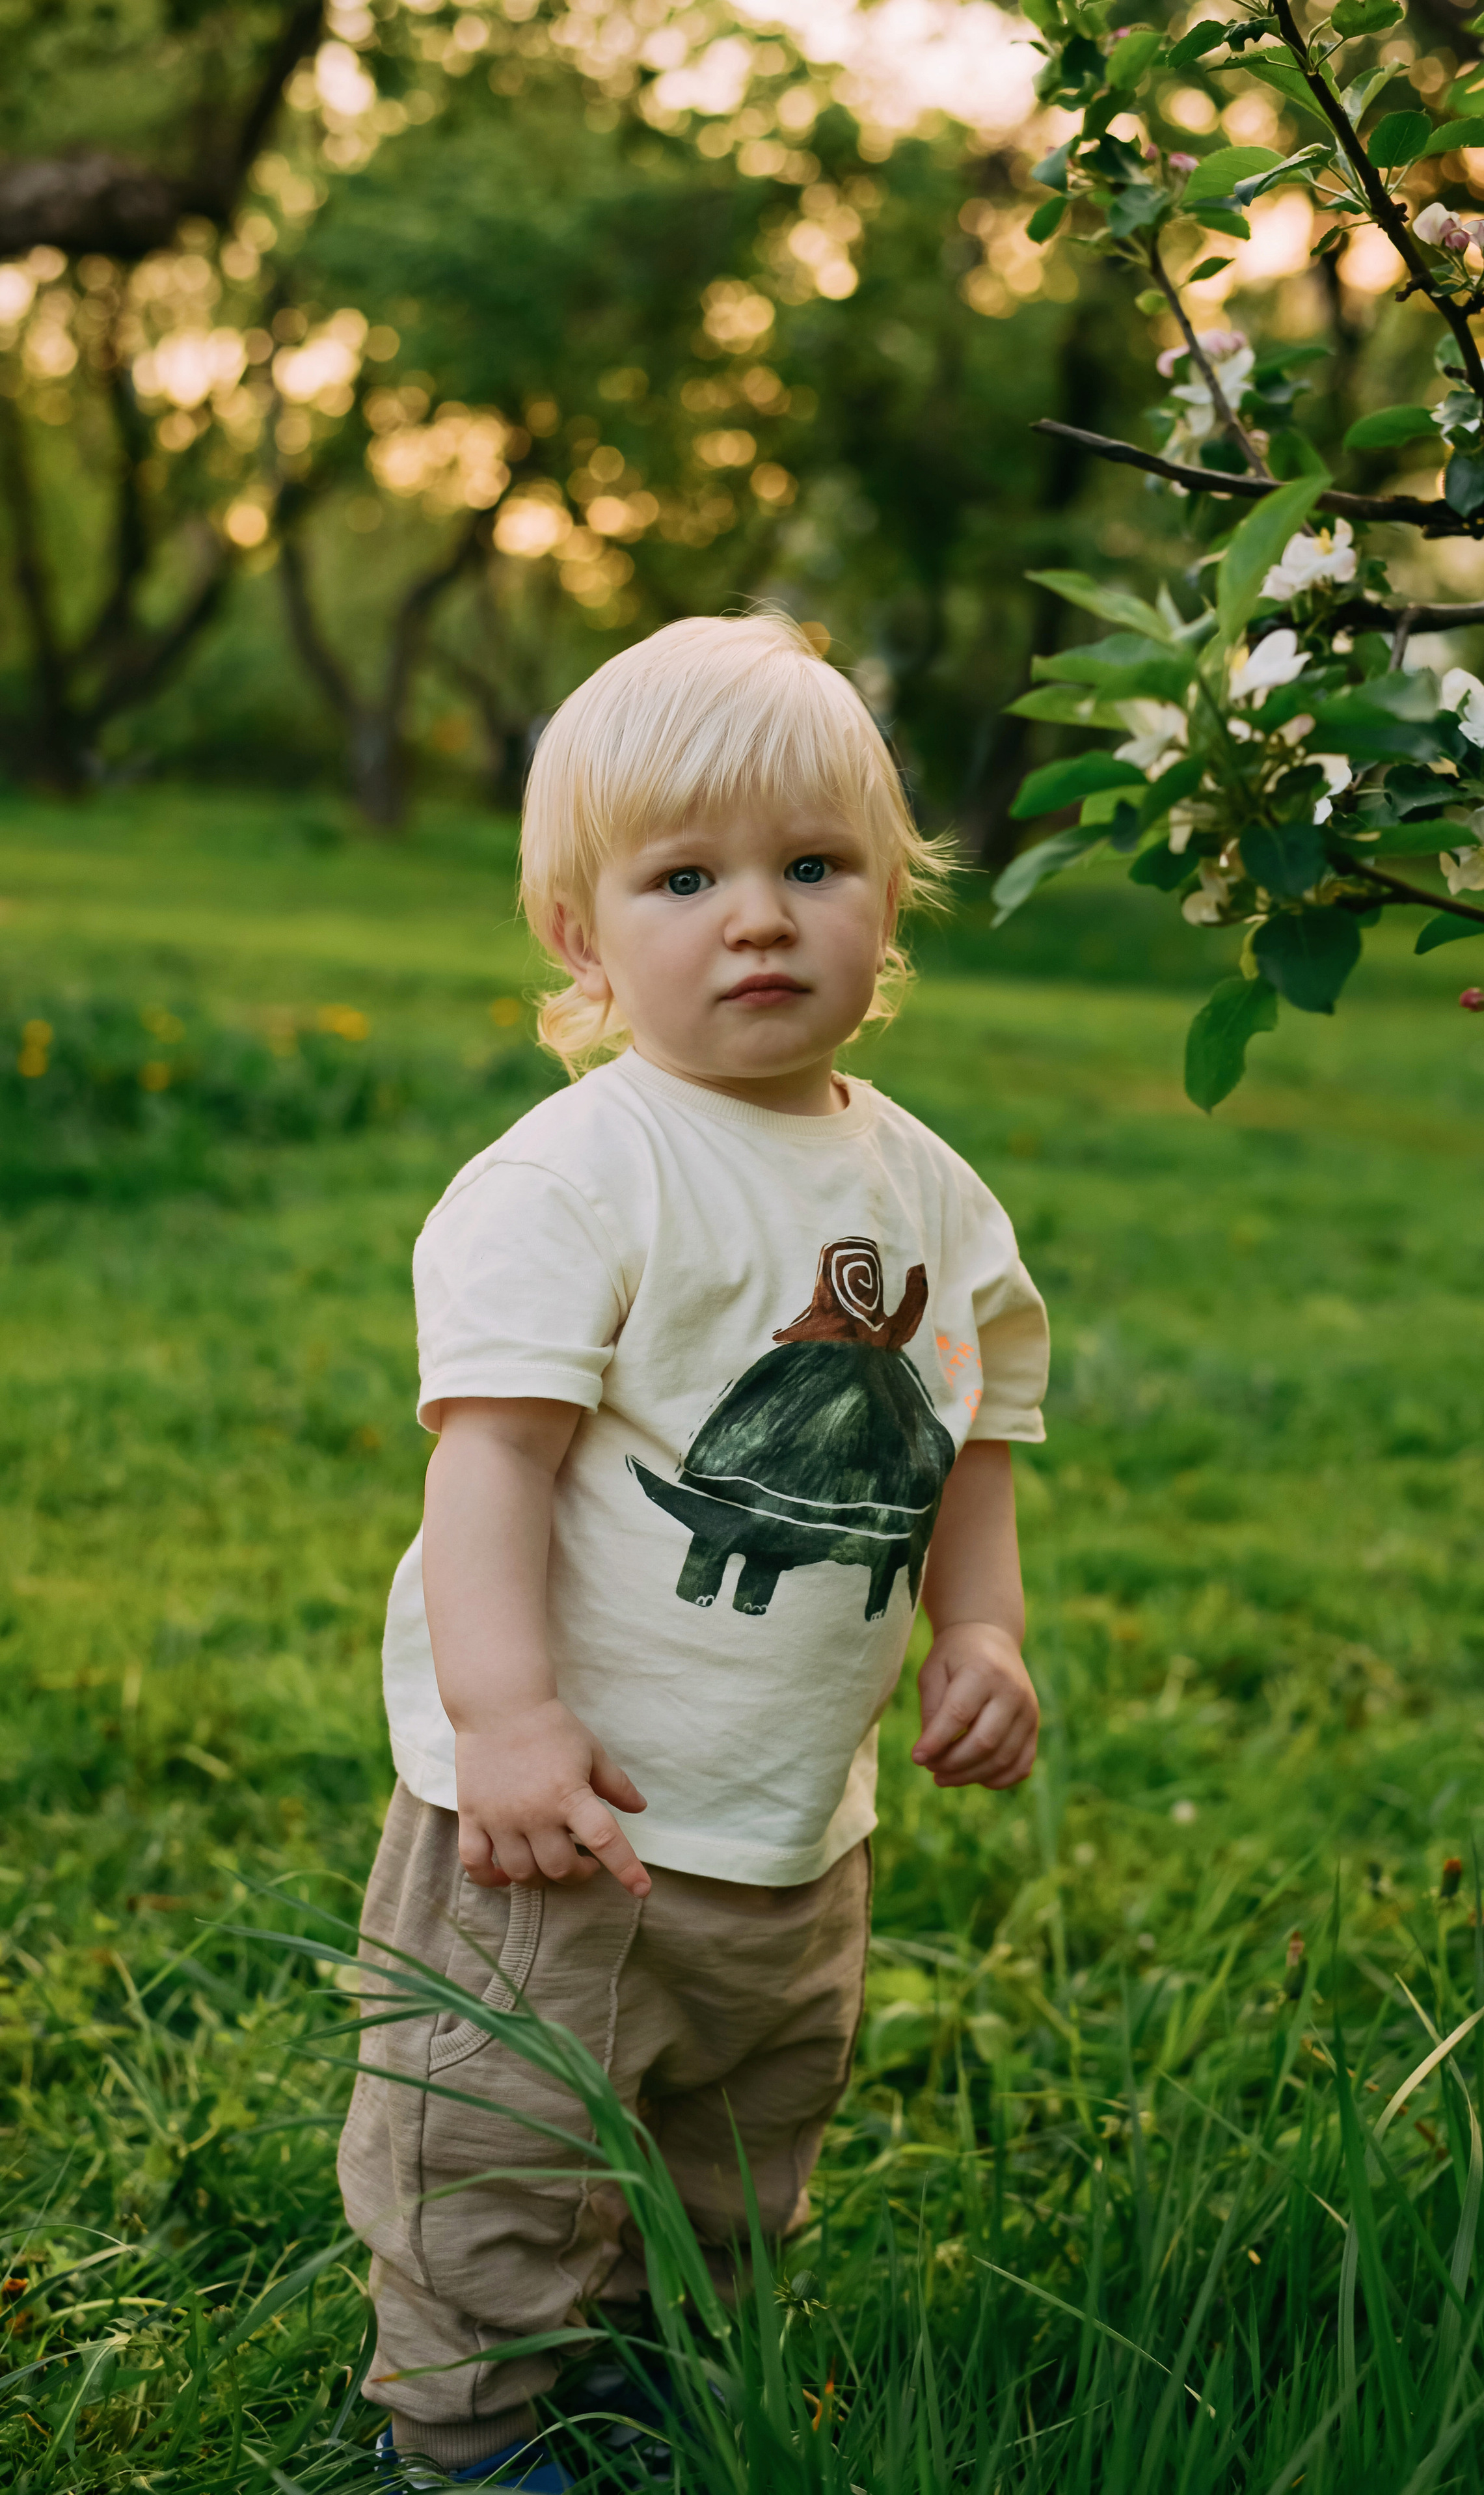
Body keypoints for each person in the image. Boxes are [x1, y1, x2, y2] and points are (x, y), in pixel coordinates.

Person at [338, 610, 1050, 2489]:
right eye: (686, 876)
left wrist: (981, 1625)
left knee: (743, 2140)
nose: (759, 916)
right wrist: (505, 1716)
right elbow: (488, 1463)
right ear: (582, 933)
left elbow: (969, 1429)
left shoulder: (935, 1188)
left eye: (814, 868)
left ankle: (667, 2373)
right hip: (560, 1823)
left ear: (888, 906)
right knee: (494, 2139)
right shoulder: (583, 1176)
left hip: (786, 1822)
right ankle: (480, 2432)